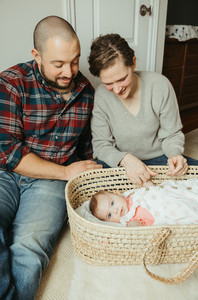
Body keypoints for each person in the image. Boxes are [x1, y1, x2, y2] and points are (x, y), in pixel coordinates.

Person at [0, 16, 102, 300]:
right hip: (6, 173)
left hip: (50, 184)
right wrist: (65, 172)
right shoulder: (11, 84)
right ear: (37, 56)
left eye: (74, 60)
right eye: (58, 64)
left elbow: (90, 147)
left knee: (30, 247)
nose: (69, 72)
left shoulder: (87, 93)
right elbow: (8, 152)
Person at [88, 33, 198, 186]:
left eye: (122, 79)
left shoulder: (160, 85)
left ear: (133, 63)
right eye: (108, 83)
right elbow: (101, 145)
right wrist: (125, 160)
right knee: (93, 191)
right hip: (120, 161)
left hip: (159, 160)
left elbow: (171, 133)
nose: (116, 89)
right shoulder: (101, 95)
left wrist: (175, 155)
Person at [89, 178, 198, 227]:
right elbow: (134, 228)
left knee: (189, 192)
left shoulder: (130, 194)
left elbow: (151, 191)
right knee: (188, 210)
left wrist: (148, 183)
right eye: (109, 215)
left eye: (112, 203)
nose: (115, 210)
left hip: (168, 194)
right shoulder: (129, 218)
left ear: (117, 193)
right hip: (169, 210)